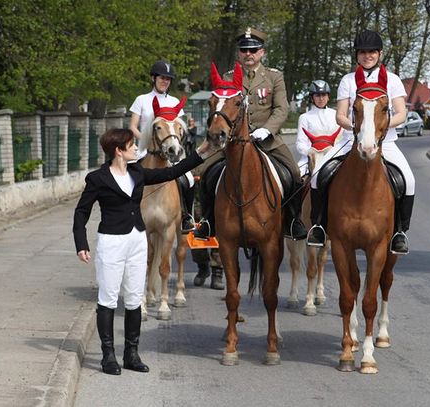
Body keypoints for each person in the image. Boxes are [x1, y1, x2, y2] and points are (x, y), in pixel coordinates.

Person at [73, 128, 214, 375]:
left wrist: (200, 153)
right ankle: (108, 356)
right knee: (108, 298)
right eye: (131, 145)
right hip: (111, 241)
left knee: (134, 298)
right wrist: (81, 244)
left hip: (137, 240)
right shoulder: (97, 178)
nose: (136, 149)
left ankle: (131, 354)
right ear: (118, 151)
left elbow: (170, 172)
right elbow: (81, 212)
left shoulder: (137, 172)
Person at [307, 29, 415, 255]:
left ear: (380, 53)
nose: (368, 56)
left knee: (409, 180)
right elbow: (340, 115)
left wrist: (377, 129)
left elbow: (401, 113)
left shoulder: (392, 80)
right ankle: (318, 226)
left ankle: (400, 232)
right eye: (363, 52)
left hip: (386, 142)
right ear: (357, 55)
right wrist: (358, 129)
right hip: (350, 141)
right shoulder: (348, 80)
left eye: (372, 52)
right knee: (318, 176)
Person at [193, 27, 307, 242]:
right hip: (232, 141)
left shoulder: (274, 76)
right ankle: (208, 221)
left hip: (268, 140)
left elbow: (281, 109)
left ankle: (293, 221)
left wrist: (267, 129)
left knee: (293, 174)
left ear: (262, 52)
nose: (248, 54)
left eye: (253, 50)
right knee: (206, 173)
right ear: (238, 54)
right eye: (244, 50)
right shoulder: (228, 77)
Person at [129, 60, 196, 233]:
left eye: (168, 79)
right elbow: (133, 127)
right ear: (153, 78)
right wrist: (146, 141)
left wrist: (174, 143)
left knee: (188, 179)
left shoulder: (174, 101)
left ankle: (187, 217)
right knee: (128, 179)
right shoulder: (141, 100)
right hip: (145, 150)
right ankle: (127, 214)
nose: (165, 81)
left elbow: (179, 128)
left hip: (171, 151)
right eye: (162, 78)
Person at [295, 80, 340, 177]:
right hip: (311, 156)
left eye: (324, 95)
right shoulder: (304, 117)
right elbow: (300, 143)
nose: (321, 99)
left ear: (328, 97)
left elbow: (340, 138)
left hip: (333, 155)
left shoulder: (336, 115)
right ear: (312, 98)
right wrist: (310, 152)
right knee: (297, 175)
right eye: (317, 95)